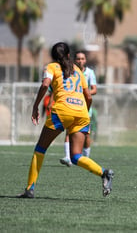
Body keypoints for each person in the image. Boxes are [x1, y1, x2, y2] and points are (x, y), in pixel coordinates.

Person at [18, 42, 113, 198]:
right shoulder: (78, 71)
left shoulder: (52, 67)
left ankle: (30, 189)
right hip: (82, 113)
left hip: (62, 111)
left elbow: (45, 85)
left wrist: (35, 106)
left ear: (53, 56)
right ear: (69, 55)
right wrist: (82, 111)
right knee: (76, 156)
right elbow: (88, 96)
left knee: (40, 149)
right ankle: (104, 173)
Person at [60, 50, 97, 166]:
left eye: (82, 59)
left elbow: (94, 89)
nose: (80, 61)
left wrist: (84, 93)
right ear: (74, 60)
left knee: (86, 134)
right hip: (72, 106)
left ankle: (86, 158)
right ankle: (68, 158)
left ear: (85, 60)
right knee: (68, 131)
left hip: (85, 107)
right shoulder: (70, 72)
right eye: (78, 59)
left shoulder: (90, 73)